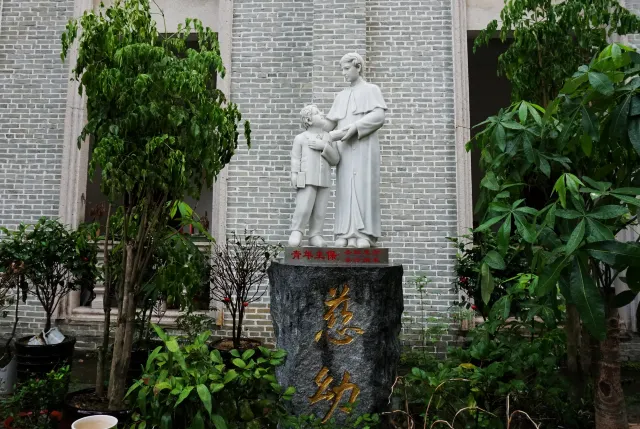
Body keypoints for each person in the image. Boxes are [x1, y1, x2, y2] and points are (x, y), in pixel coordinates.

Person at [324, 52, 387, 248]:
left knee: (363, 188)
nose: (343, 73)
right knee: (345, 189)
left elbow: (378, 116)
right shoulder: (341, 96)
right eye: (342, 69)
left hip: (364, 147)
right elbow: (329, 122)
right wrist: (313, 124)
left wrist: (355, 128)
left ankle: (364, 234)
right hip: (344, 149)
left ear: (357, 67)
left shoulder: (371, 90)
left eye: (346, 68)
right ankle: (345, 232)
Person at [288, 105, 340, 247]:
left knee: (320, 209)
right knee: (303, 206)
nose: (322, 113)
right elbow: (295, 158)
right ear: (309, 120)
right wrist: (294, 174)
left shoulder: (328, 138)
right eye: (317, 113)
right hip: (306, 179)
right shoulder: (301, 138)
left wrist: (323, 146)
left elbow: (335, 159)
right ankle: (297, 230)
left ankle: (315, 234)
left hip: (324, 179)